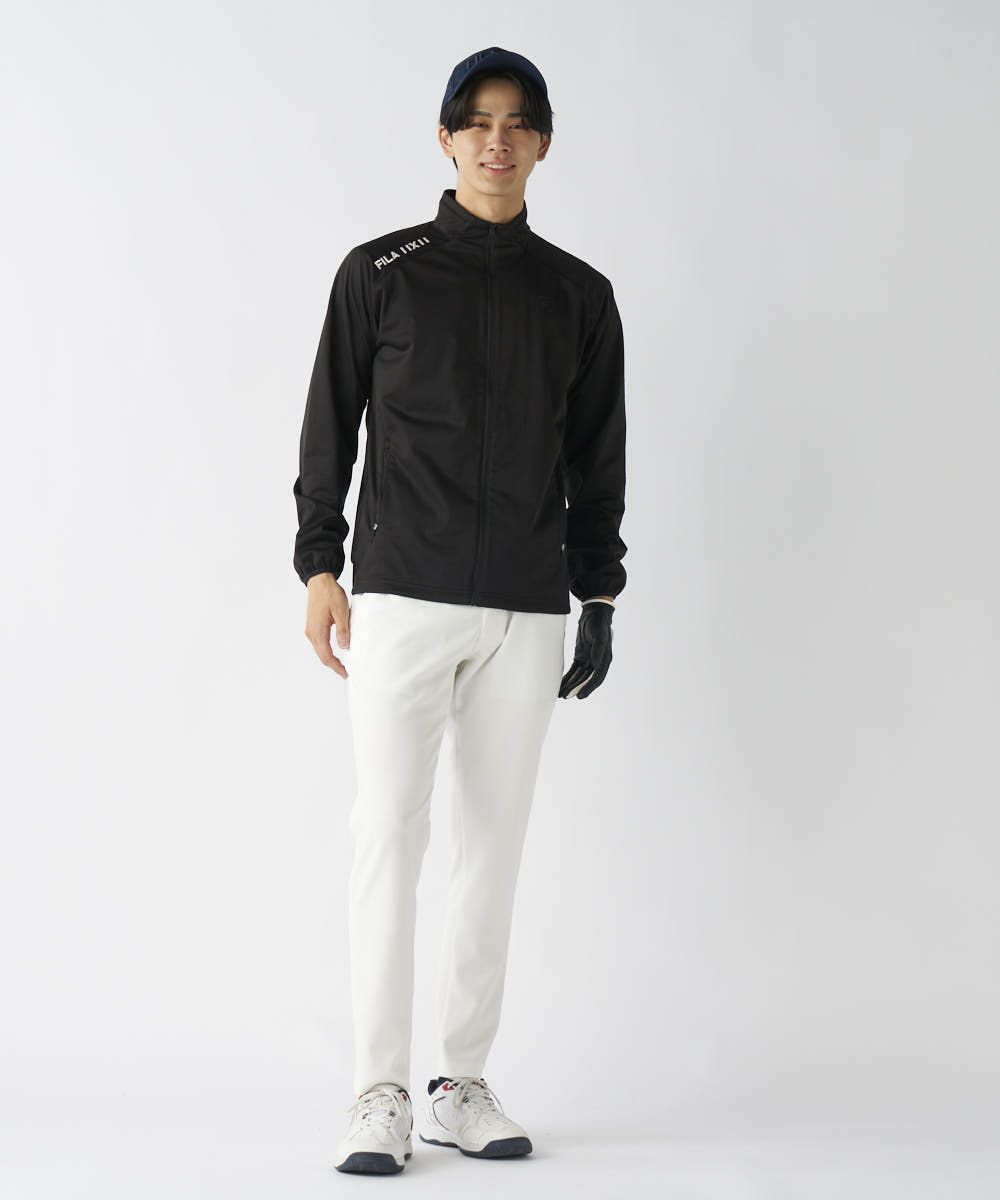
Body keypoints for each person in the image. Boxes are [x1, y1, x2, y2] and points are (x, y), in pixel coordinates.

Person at [292, 46, 628, 1176]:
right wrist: (319, 564)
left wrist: (598, 592)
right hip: (398, 592)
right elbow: (329, 424)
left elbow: (596, 458)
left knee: (493, 847)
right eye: (477, 121)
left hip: (525, 608)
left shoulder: (579, 295)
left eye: (517, 122)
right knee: (388, 833)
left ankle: (458, 1083)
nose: (497, 139)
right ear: (445, 138)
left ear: (543, 144)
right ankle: (377, 1091)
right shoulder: (381, 272)